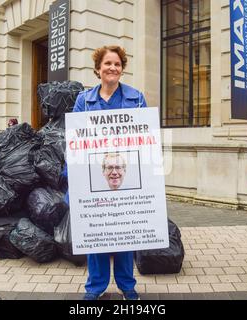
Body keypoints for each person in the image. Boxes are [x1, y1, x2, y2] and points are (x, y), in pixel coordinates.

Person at [68, 45, 147, 300]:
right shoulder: (84, 100)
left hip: (126, 173)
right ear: (98, 69)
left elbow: (146, 138)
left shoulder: (136, 98)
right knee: (96, 233)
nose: (113, 68)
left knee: (124, 231)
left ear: (122, 69)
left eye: (117, 64)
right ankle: (96, 287)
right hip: (95, 176)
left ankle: (127, 285)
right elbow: (76, 139)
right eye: (107, 64)